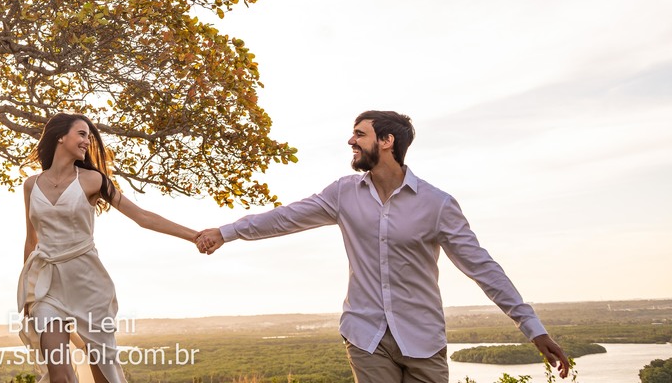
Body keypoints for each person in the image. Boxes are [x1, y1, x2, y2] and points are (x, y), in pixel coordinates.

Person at [195, 110, 571, 383]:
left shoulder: (437, 204)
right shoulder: (343, 193)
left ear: (387, 141)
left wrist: (532, 327)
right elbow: (286, 217)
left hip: (423, 339)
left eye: (360, 134)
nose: (351, 141)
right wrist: (226, 232)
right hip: (366, 335)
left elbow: (483, 268)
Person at [18, 112, 198, 383]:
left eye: (89, 138)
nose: (87, 142)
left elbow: (143, 217)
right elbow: (32, 241)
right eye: (81, 134)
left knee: (103, 373)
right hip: (47, 287)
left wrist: (195, 236)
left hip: (87, 284)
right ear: (60, 137)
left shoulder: (93, 180)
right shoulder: (31, 185)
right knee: (59, 373)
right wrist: (28, 295)